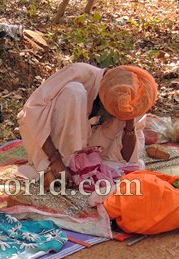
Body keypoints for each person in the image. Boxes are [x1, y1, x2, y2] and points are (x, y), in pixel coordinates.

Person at [17, 63, 158, 189]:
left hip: (89, 152)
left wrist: (128, 120)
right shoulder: (79, 73)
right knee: (74, 92)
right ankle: (58, 167)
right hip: (48, 143)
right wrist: (55, 160)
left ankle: (74, 170)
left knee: (133, 168)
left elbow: (128, 159)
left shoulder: (136, 101)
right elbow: (31, 110)